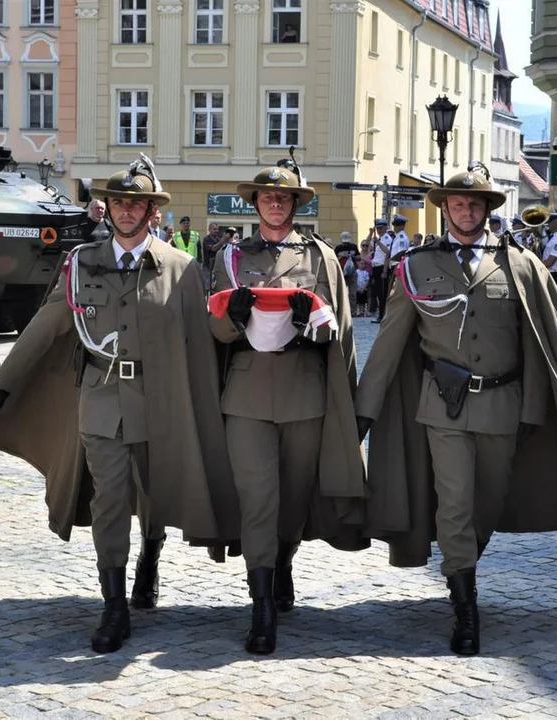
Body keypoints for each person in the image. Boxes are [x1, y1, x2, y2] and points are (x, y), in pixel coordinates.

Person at [354, 163, 557, 656]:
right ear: (445, 208)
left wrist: (534, 410)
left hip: (503, 403)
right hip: (441, 407)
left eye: (475, 204)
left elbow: (544, 344)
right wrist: (363, 414)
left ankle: (463, 563)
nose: (466, 211)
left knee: (486, 503)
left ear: (487, 209)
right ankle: (464, 602)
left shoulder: (520, 264)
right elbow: (389, 344)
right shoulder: (415, 265)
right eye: (457, 204)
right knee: (454, 501)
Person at [0, 158, 238, 654]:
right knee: (110, 498)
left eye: (138, 203)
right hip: (102, 399)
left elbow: (201, 341)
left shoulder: (180, 268)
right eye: (119, 201)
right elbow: (48, 325)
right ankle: (113, 605)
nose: (128, 210)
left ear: (153, 212)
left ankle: (149, 556)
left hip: (161, 401)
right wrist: (2, 386)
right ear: (107, 208)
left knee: (151, 493)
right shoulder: (81, 263)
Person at [208, 159, 365, 655]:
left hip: (305, 391)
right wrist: (231, 319)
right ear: (254, 203)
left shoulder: (321, 258)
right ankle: (260, 604)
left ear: (296, 204)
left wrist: (312, 326)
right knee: (258, 498)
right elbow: (212, 331)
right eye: (266, 197)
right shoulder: (229, 258)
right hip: (247, 393)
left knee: (294, 499)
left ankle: (285, 559)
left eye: (284, 197)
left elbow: (338, 329)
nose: (275, 203)